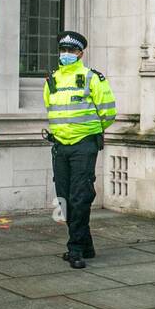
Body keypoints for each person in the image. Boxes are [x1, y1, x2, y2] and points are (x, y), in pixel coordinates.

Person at [44, 31, 116, 269]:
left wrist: (90, 131)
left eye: (71, 51)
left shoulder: (91, 78)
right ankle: (86, 244)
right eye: (63, 50)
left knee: (79, 196)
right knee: (64, 198)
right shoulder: (51, 80)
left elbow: (108, 112)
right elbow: (51, 110)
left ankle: (75, 249)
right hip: (59, 146)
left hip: (84, 145)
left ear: (80, 53)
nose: (66, 54)